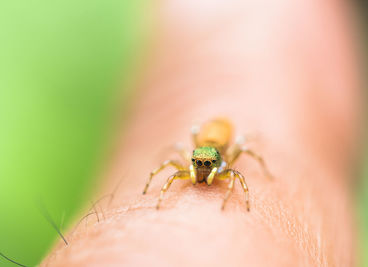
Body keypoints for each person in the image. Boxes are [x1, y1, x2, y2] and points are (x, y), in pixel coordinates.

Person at [42, 0, 362, 265]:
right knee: (171, 161)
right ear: (196, 160)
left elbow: (239, 176)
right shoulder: (190, 162)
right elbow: (166, 170)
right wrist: (155, 195)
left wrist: (242, 200)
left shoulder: (226, 164)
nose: (202, 172)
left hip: (221, 136)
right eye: (199, 165)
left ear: (215, 163)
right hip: (208, 135)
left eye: (206, 167)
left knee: (247, 148)